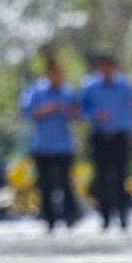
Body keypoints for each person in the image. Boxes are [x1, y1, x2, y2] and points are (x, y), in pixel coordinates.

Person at [19, 54, 81, 231]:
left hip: (63, 145)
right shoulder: (35, 91)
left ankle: (70, 215)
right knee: (45, 184)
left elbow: (78, 114)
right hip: (43, 145)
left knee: (65, 181)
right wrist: (47, 109)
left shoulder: (67, 92)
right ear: (47, 73)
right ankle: (49, 219)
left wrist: (70, 111)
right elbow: (27, 112)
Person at [80, 51, 132, 229]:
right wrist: (94, 115)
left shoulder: (125, 86)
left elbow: (131, 111)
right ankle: (105, 217)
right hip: (99, 136)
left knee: (121, 176)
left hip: (120, 136)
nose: (105, 70)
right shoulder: (90, 86)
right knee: (101, 178)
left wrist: (131, 133)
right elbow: (81, 109)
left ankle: (123, 215)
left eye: (108, 67)